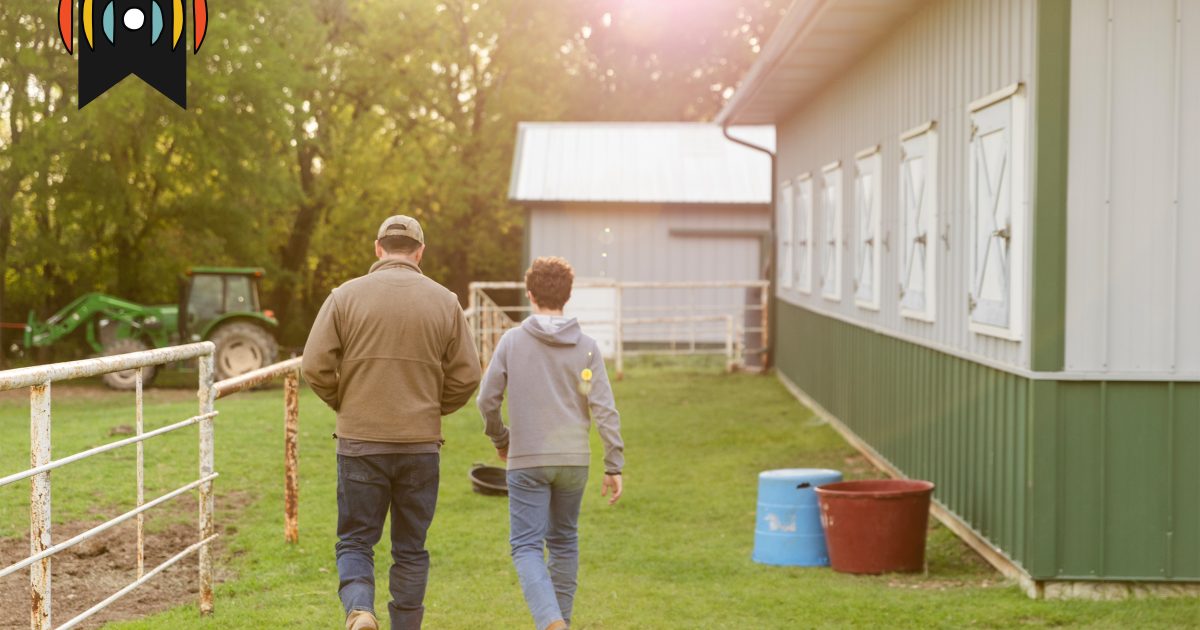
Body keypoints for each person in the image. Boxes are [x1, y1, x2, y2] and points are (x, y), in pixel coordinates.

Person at [302, 215, 482, 630]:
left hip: (360, 443)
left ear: (378, 248)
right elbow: (468, 375)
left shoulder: (344, 297)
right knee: (411, 548)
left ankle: (361, 611)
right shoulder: (446, 301)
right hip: (420, 444)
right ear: (419, 252)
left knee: (355, 540)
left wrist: (344, 402)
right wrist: (434, 408)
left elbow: (314, 365)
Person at [476, 256, 625, 630]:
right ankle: (562, 622)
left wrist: (500, 437)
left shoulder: (512, 342)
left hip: (527, 460)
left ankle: (550, 622)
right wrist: (613, 463)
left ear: (530, 294)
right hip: (574, 462)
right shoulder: (587, 349)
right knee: (563, 543)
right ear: (567, 296)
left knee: (527, 546)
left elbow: (486, 400)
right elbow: (602, 406)